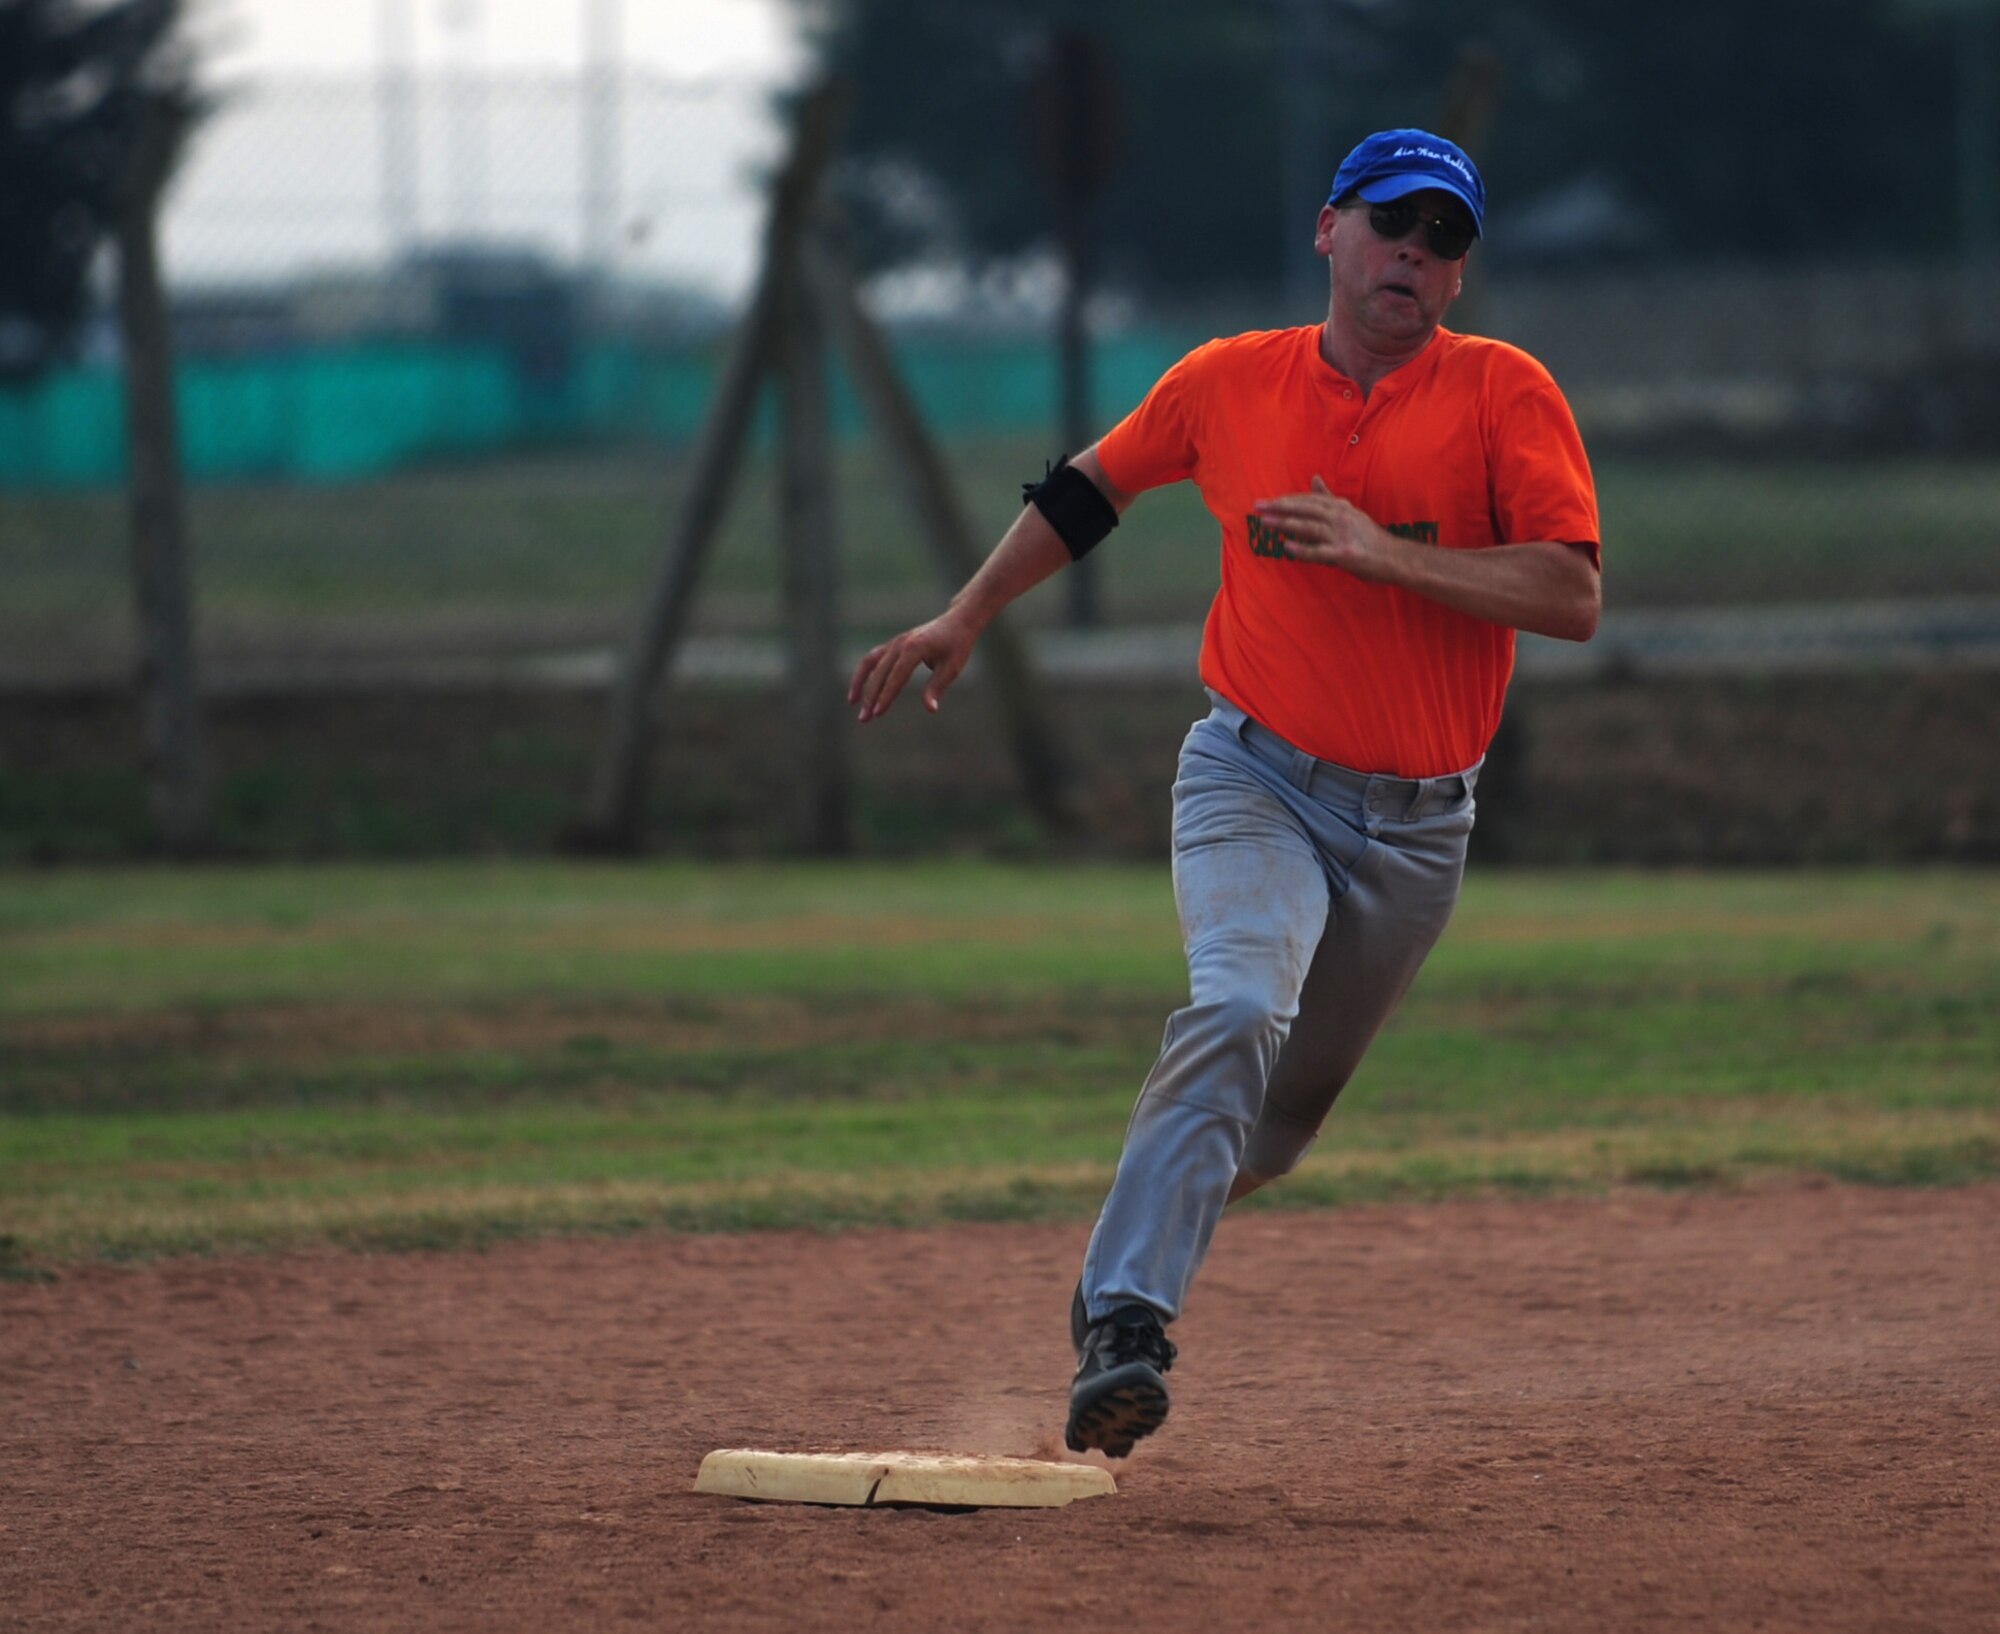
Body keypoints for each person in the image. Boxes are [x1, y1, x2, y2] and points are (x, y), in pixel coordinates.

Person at [847, 129, 1602, 1458]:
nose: (1412, 260)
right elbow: (1093, 484)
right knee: (1240, 999)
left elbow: (1572, 594)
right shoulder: (1229, 382)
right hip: (1256, 776)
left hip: (1420, 826)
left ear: (1459, 277)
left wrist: (1380, 554)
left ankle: (1114, 1271)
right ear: (1330, 231)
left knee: (1276, 1129)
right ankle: (1128, 1320)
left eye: (1442, 243)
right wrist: (967, 612)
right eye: (1391, 227)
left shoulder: (1502, 395)